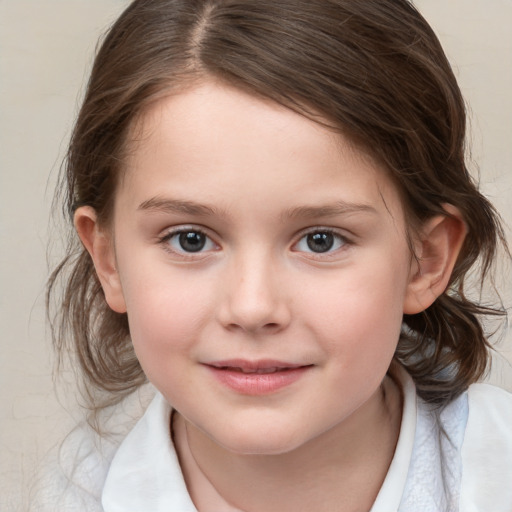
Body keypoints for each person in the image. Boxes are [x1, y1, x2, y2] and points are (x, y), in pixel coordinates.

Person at [36, 0, 512, 510]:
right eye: (190, 239)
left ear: (426, 259)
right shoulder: (72, 494)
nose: (252, 307)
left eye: (320, 240)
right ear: (108, 260)